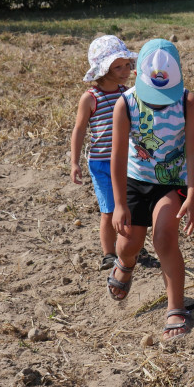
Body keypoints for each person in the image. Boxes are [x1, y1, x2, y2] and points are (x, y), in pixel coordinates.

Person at [108, 39, 194, 343]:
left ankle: (176, 307)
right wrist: (120, 203)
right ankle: (125, 263)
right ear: (138, 77)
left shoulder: (188, 102)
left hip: (172, 181)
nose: (160, 102)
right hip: (135, 180)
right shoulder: (126, 103)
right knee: (129, 243)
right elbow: (118, 155)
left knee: (163, 236)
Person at [70, 36, 137, 271]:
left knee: (130, 206)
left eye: (127, 64)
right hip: (101, 163)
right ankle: (109, 254)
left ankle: (132, 245)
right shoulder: (90, 98)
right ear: (103, 69)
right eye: (118, 66)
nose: (125, 70)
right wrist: (74, 162)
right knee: (109, 210)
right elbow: (79, 130)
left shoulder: (128, 94)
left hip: (127, 162)